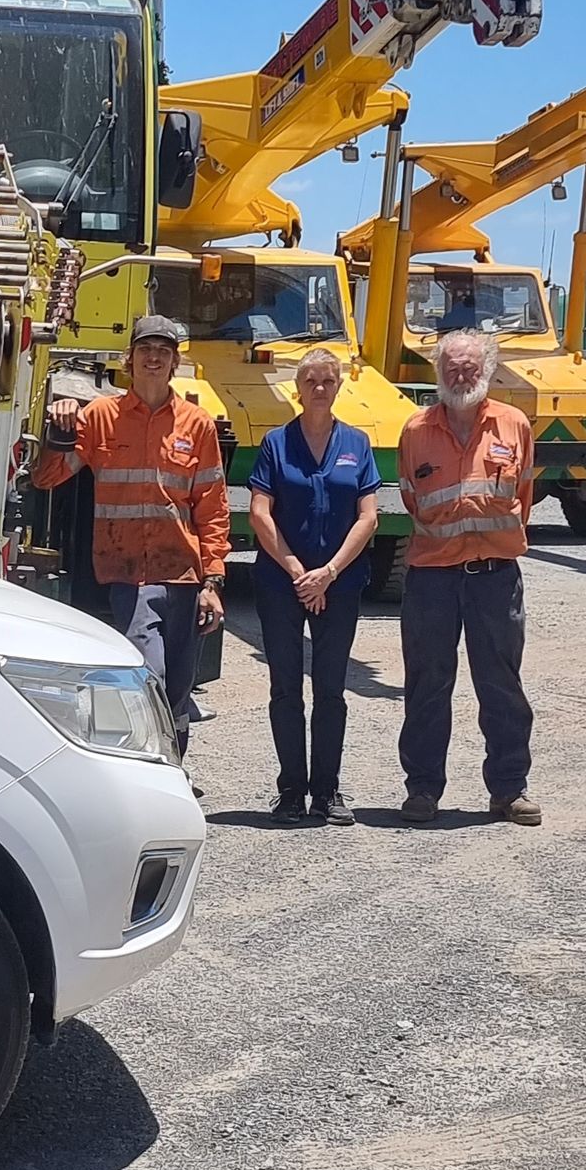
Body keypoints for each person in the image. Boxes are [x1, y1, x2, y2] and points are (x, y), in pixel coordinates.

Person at [32, 314, 229, 761]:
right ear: (129, 360)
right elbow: (47, 479)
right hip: (128, 574)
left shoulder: (197, 425)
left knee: (178, 682)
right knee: (150, 671)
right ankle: (152, 765)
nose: (154, 358)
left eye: (163, 351)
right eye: (146, 350)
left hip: (182, 571)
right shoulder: (102, 417)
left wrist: (213, 582)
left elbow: (212, 508)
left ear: (175, 361)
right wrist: (62, 433)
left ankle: (175, 760)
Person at [396, 327, 543, 826]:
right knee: (426, 685)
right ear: (438, 372)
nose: (461, 373)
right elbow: (411, 499)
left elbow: (522, 497)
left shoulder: (514, 425)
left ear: (488, 368)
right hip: (432, 578)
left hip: (494, 577)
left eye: (470, 365)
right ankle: (422, 791)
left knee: (501, 684)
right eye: (451, 366)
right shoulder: (415, 432)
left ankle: (508, 790)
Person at [246, 349, 380, 825]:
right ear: (297, 389)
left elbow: (369, 517)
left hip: (339, 585)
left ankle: (327, 791)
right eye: (310, 380)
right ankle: (289, 792)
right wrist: (298, 570)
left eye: (328, 380)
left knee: (331, 689)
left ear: (339, 386)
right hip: (282, 583)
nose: (319, 388)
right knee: (285, 688)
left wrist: (330, 572)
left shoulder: (358, 443)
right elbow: (259, 511)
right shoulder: (275, 444)